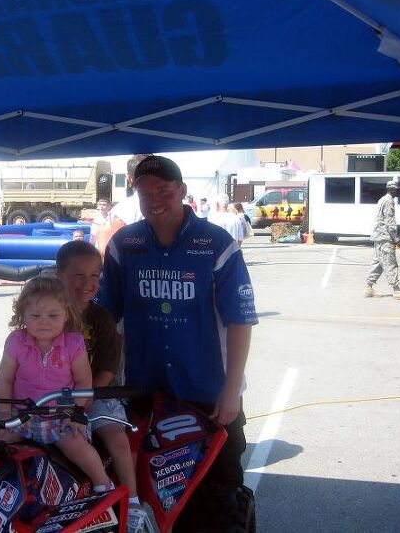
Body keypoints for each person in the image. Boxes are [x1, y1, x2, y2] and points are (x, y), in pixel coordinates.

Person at [97, 155, 258, 532]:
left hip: (206, 396)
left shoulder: (216, 243)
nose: (154, 200)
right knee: (148, 499)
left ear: (182, 191)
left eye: (163, 191)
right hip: (142, 394)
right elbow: (104, 314)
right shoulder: (126, 244)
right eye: (144, 192)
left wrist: (231, 390)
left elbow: (240, 319)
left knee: (215, 497)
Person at [55, 241, 156, 532]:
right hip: (54, 395)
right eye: (78, 275)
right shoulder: (47, 314)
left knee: (118, 439)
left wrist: (83, 400)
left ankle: (133, 505)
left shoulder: (100, 319)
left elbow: (108, 369)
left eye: (95, 276)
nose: (88, 284)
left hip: (98, 393)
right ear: (59, 274)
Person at [0, 277, 114, 493]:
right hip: (24, 416)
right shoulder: (16, 341)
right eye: (35, 316)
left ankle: (103, 484)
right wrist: (4, 417)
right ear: (22, 315)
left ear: (66, 314)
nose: (44, 321)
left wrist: (73, 413)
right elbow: (4, 378)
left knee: (75, 446)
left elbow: (83, 381)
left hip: (61, 414)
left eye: (53, 315)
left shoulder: (74, 343)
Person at [364, 180, 400, 300]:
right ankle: (397, 290)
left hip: (379, 236)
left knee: (378, 263)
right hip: (385, 237)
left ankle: (368, 287)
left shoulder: (382, 199)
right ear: (392, 189)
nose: (398, 192)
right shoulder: (389, 201)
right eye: (397, 189)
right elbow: (390, 222)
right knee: (390, 263)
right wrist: (396, 239)